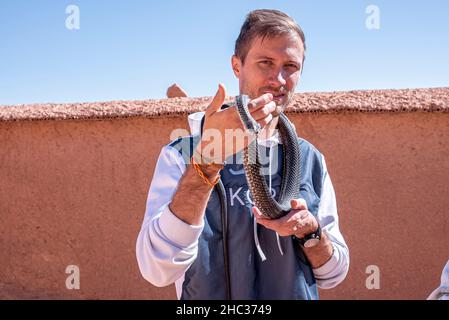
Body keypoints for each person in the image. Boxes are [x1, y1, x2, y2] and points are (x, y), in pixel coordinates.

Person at [136, 9, 349, 299]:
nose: (279, 79)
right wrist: (206, 164)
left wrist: (310, 232)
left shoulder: (309, 158)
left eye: (290, 66)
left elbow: (333, 275)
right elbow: (156, 269)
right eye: (265, 63)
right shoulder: (183, 153)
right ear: (237, 66)